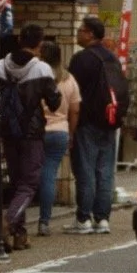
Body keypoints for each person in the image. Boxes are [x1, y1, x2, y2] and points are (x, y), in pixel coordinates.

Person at [0, 21, 61, 252]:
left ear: (19, 40)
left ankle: (19, 235)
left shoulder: (1, 64)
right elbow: (54, 103)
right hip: (31, 132)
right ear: (40, 44)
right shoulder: (42, 69)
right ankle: (8, 222)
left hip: (8, 130)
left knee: (16, 182)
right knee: (29, 183)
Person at [66, 16, 130, 235]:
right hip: (110, 122)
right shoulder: (112, 59)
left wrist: (70, 124)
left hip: (86, 122)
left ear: (90, 34)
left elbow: (72, 94)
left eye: (80, 30)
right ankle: (102, 219)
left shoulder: (81, 59)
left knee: (85, 170)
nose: (78, 34)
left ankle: (83, 218)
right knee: (105, 172)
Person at [37, 40, 81, 236]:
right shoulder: (68, 79)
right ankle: (44, 221)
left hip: (36, 131)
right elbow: (75, 110)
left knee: (28, 175)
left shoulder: (37, 76)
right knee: (49, 173)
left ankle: (17, 218)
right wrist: (71, 133)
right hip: (60, 130)